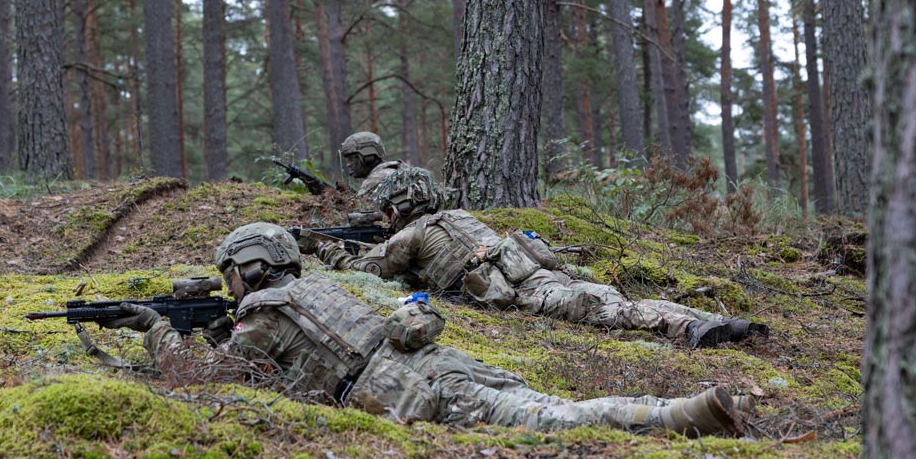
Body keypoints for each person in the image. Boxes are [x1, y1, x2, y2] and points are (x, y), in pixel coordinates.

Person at [97, 222, 748, 436]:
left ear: (247, 268)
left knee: (558, 422)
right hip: (439, 361)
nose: (227, 287)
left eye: (229, 274)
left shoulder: (264, 315)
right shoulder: (321, 288)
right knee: (550, 403)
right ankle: (680, 406)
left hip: (418, 393)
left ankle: (682, 414)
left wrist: (157, 332)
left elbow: (204, 380)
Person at [300, 168, 768, 349]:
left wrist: (326, 249)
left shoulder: (415, 234)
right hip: (539, 271)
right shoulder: (459, 215)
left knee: (606, 308)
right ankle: (716, 320)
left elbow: (370, 271)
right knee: (603, 295)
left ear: (398, 208)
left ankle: (692, 327)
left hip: (526, 290)